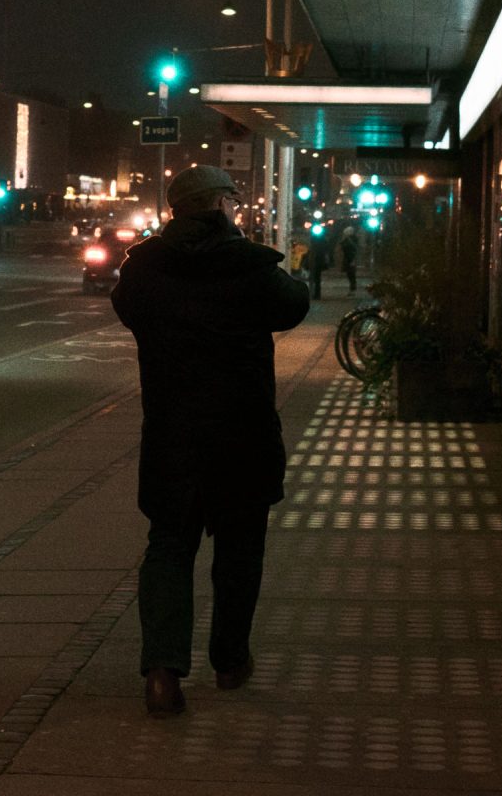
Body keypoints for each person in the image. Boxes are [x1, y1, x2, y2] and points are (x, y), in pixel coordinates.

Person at [110, 164, 311, 718]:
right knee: (240, 549)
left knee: (169, 545)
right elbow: (294, 304)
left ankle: (162, 671)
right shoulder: (248, 266)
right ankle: (228, 660)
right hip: (242, 435)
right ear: (222, 205)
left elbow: (127, 309)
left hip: (172, 433)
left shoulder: (144, 269)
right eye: (233, 202)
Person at [303, 233, 331, 298]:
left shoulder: (322, 241)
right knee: (315, 278)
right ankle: (314, 293)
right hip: (314, 261)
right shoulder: (318, 241)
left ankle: (316, 293)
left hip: (317, 261)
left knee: (316, 278)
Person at [339, 230, 361, 294]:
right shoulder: (349, 240)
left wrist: (352, 260)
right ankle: (352, 288)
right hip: (349, 258)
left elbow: (346, 248)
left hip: (350, 259)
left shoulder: (350, 241)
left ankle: (352, 288)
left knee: (351, 274)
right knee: (350, 274)